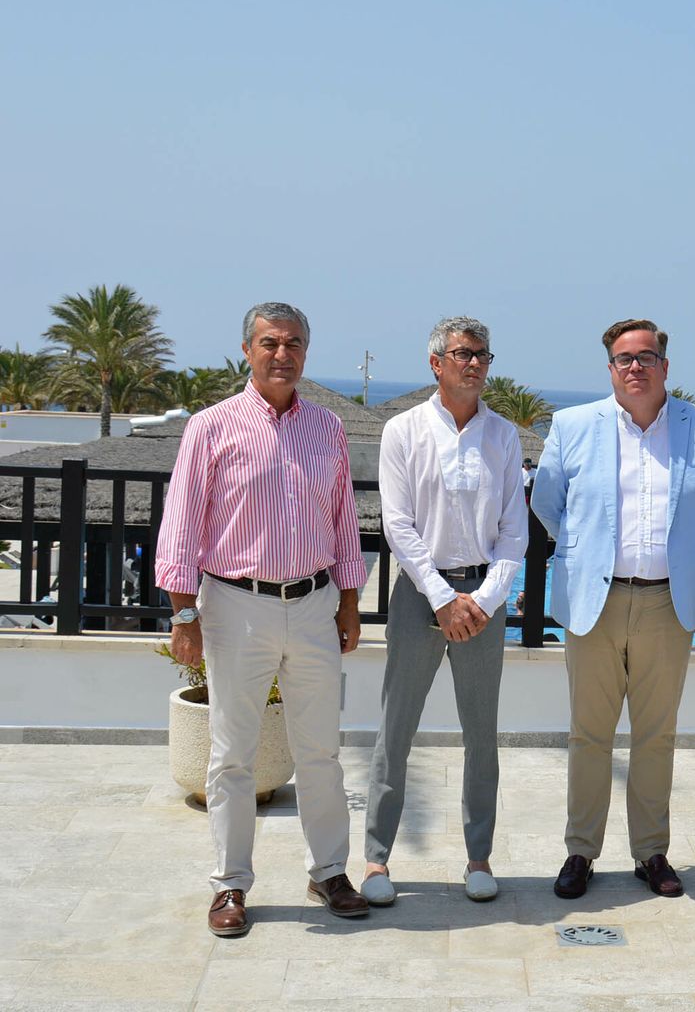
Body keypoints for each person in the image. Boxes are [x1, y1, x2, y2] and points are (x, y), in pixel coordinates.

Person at [155, 302, 370, 937]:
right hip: (234, 607)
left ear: (307, 351)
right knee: (232, 756)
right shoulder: (210, 426)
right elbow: (182, 526)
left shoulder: (328, 429)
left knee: (321, 751)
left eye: (295, 343)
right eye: (271, 342)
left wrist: (350, 602)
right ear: (247, 350)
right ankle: (229, 886)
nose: (284, 353)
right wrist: (184, 613)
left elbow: (342, 524)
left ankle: (330, 870)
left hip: (312, 606)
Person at [531, 318, 695, 900]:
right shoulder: (572, 426)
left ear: (665, 367)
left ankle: (651, 852)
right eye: (624, 359)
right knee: (588, 736)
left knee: (657, 736)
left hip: (669, 603)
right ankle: (580, 852)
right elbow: (550, 506)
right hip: (594, 600)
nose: (635, 367)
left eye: (646, 357)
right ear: (611, 369)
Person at [362, 317, 529, 906]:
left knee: (481, 734)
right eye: (463, 354)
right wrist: (440, 597)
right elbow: (398, 525)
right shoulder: (403, 431)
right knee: (396, 728)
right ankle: (377, 860)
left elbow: (514, 533)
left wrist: (480, 602)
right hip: (418, 597)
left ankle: (479, 857)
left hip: (483, 600)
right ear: (436, 362)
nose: (475, 364)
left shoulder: (504, 436)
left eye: (483, 354)